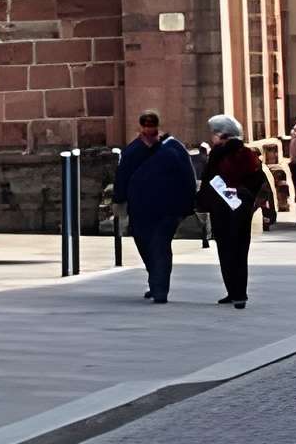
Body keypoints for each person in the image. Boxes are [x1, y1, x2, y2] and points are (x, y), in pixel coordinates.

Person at [114, 111, 199, 303]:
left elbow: (187, 177)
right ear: (141, 128)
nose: (149, 131)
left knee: (158, 246)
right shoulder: (136, 150)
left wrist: (186, 204)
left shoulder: (171, 148)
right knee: (147, 244)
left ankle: (159, 288)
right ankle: (156, 282)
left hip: (165, 209)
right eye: (146, 128)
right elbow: (123, 176)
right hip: (144, 208)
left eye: (151, 128)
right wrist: (119, 200)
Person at [199, 114, 275, 307]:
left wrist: (203, 201)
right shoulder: (247, 153)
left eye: (213, 134)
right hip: (241, 210)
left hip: (222, 209)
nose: (211, 138)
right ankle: (239, 293)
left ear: (222, 134)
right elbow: (258, 182)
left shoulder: (218, 154)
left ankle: (233, 291)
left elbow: (209, 179)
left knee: (226, 250)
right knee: (240, 251)